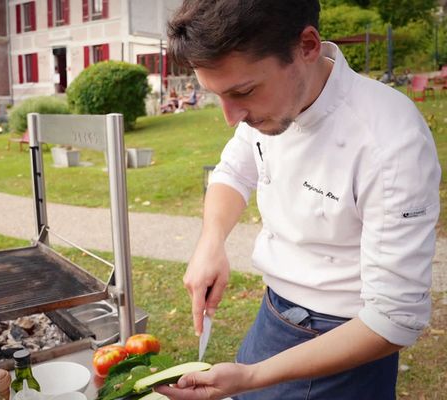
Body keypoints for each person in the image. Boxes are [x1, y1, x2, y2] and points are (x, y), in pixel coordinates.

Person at [156, 1, 441, 399]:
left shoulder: (390, 140)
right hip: (273, 315)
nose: (231, 116)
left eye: (243, 91)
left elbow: (393, 320)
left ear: (307, 45)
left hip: (345, 342)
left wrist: (253, 377)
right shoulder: (272, 106)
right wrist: (211, 242)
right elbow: (234, 172)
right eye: (217, 95)